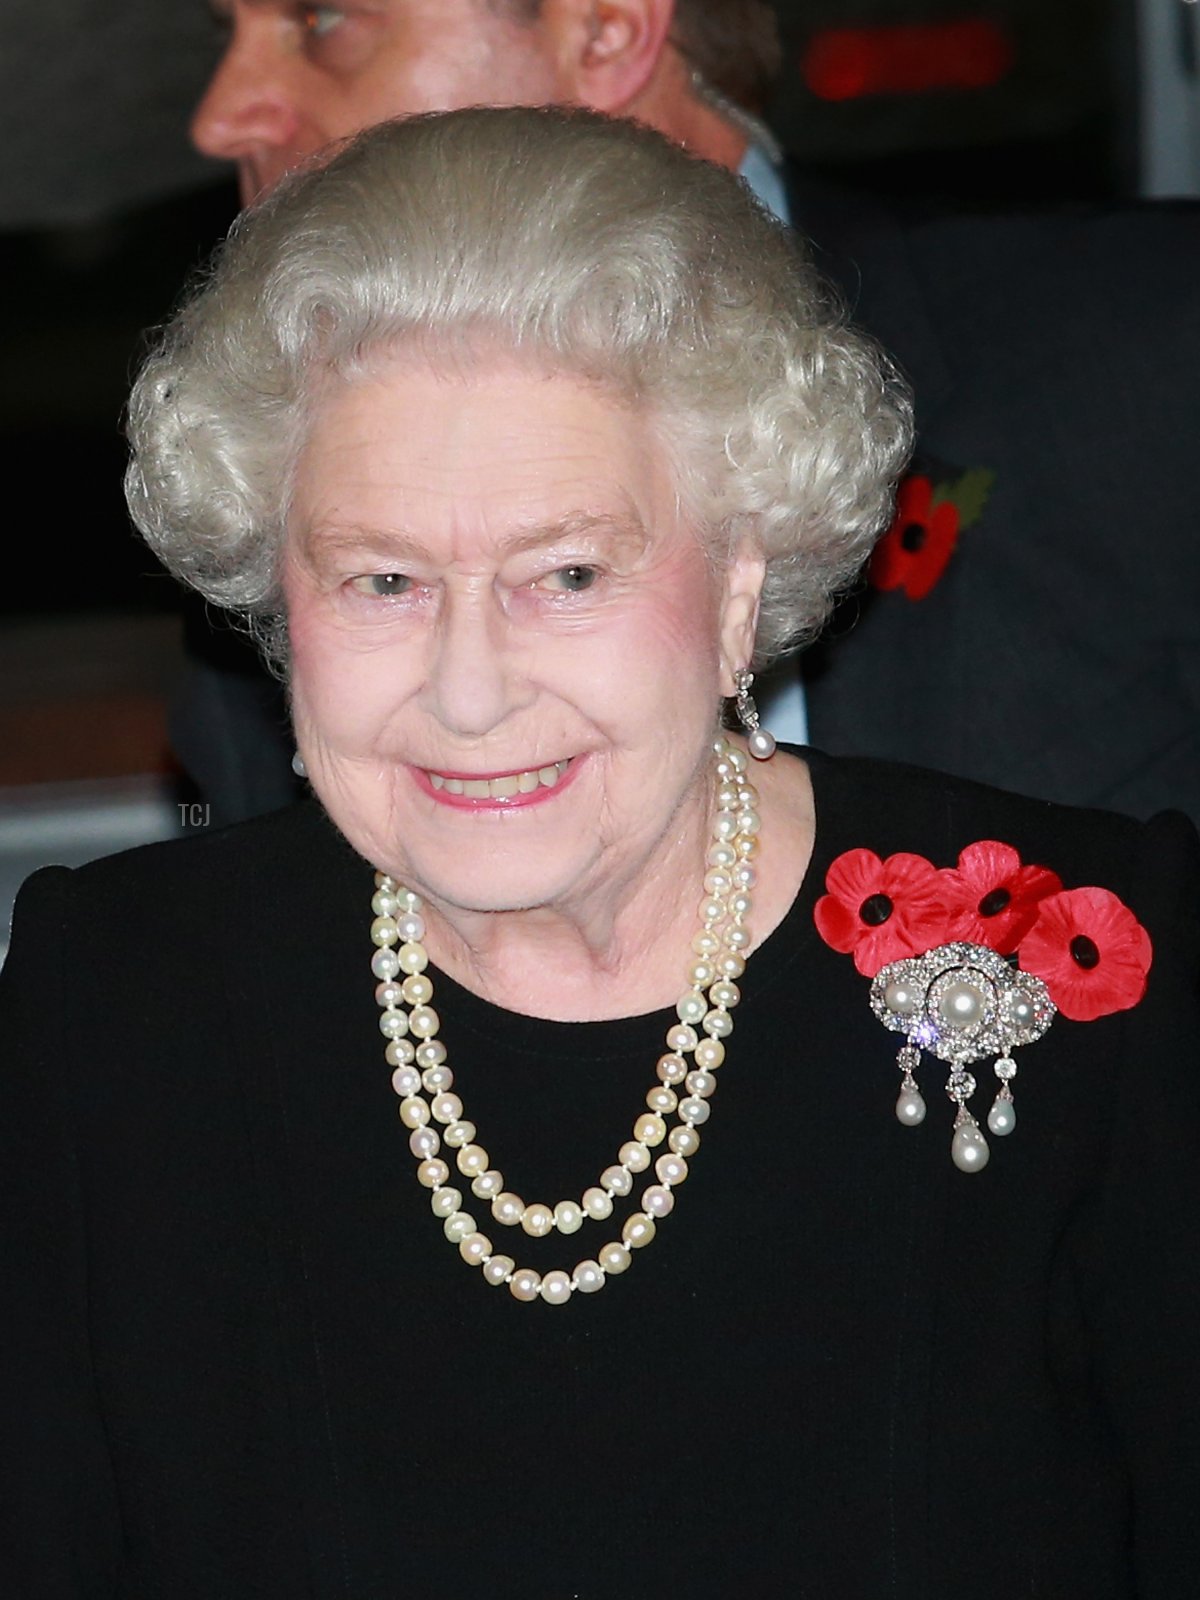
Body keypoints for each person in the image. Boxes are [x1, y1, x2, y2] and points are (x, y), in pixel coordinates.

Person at [3, 109, 1198, 1598]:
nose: (468, 689)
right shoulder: (113, 1006)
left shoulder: (1096, 964)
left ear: (738, 580)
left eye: (566, 573)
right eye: (381, 578)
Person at [178, 0, 1200, 826]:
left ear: (608, 30)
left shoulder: (1141, 346)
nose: (223, 114)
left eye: (320, 22)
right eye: (391, 579)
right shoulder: (282, 532)